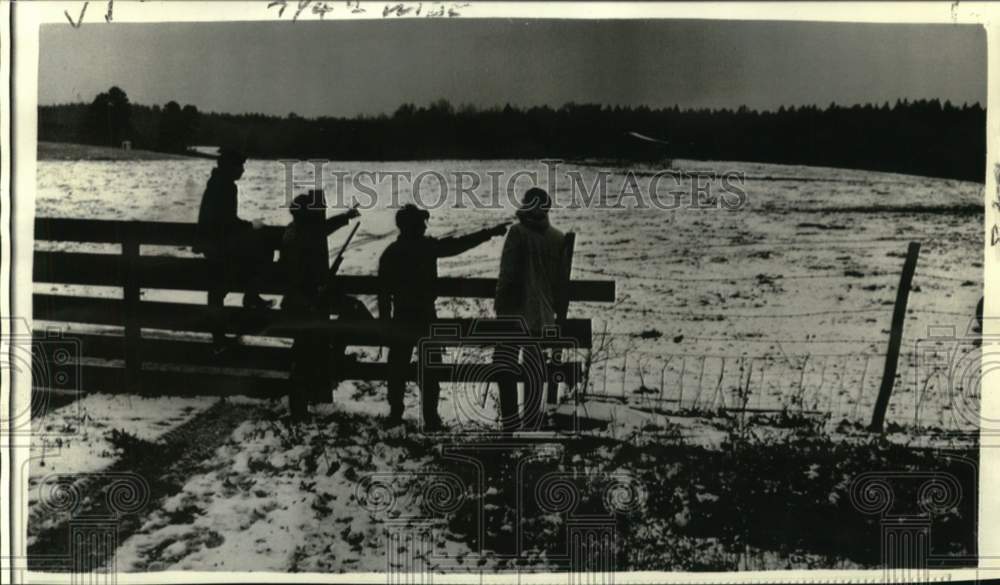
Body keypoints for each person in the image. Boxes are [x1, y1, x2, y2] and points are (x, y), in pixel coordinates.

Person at [378, 204, 508, 430]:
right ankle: (430, 417)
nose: (424, 227)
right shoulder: (427, 247)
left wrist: (385, 322)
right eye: (421, 223)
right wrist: (489, 233)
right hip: (427, 317)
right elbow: (458, 245)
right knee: (430, 370)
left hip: (401, 318)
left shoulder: (391, 252)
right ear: (418, 226)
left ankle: (396, 414)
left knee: (397, 369)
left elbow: (383, 293)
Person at [279, 190, 361, 420]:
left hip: (298, 303)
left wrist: (346, 216)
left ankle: (301, 404)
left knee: (304, 352)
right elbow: (302, 271)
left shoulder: (295, 230)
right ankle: (300, 406)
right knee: (306, 353)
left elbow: (324, 228)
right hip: (307, 304)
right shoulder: (305, 235)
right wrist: (316, 290)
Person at [494, 187, 567, 432]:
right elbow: (559, 284)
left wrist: (500, 308)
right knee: (534, 366)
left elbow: (507, 276)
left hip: (514, 314)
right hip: (543, 315)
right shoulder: (558, 237)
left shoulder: (517, 233)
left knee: (504, 364)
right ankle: (532, 419)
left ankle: (509, 421)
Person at [195, 148, 276, 344]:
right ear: (230, 166)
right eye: (240, 166)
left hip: (210, 247)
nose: (242, 170)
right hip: (220, 249)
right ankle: (251, 296)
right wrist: (251, 225)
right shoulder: (227, 186)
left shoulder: (215, 183)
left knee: (216, 290)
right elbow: (227, 222)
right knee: (265, 246)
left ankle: (219, 334)